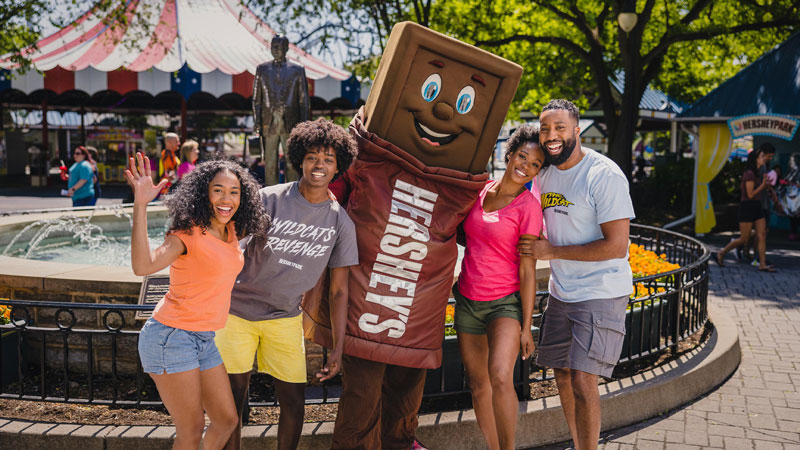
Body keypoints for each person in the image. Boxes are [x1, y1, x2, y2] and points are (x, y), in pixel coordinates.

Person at [215, 118, 358, 450]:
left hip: (285, 318)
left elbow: (339, 290)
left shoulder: (340, 222)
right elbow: (229, 246)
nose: (318, 165)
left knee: (294, 401)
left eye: (328, 159)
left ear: (339, 167)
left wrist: (338, 346)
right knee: (234, 401)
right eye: (311, 156)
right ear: (299, 160)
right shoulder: (269, 199)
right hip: (237, 313)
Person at [128, 154, 268, 450]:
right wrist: (140, 204)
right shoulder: (187, 232)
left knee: (226, 420)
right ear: (204, 193)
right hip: (171, 336)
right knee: (190, 428)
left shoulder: (230, 230)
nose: (226, 199)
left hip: (203, 338)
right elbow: (143, 266)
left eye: (234, 192)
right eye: (217, 190)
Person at [518, 99, 635, 450]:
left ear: (576, 131)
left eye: (559, 128)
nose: (551, 136)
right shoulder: (545, 173)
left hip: (600, 290)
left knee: (584, 379)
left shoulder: (604, 174)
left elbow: (616, 245)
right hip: (562, 291)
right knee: (563, 376)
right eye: (545, 129)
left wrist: (550, 251)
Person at [455, 124, 544, 450]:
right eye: (523, 157)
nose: (526, 167)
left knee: (500, 376)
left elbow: (527, 268)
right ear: (510, 153)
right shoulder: (481, 191)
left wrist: (527, 325)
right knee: (478, 385)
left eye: (535, 165)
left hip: (504, 303)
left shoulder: (528, 207)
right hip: (467, 300)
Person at [252, 35, 310, 185]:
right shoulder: (262, 69)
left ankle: (293, 193)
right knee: (270, 163)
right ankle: (271, 196)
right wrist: (257, 121)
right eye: (272, 47)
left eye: (278, 47)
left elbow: (303, 101)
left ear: (286, 48)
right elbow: (257, 100)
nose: (275, 50)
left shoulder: (297, 69)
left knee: (292, 163)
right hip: (268, 123)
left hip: (291, 123)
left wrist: (303, 126)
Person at [715, 143, 776, 271]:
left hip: (757, 206)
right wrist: (763, 185)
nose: (765, 158)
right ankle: (721, 253)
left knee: (762, 234)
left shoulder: (760, 173)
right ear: (756, 159)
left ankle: (762, 264)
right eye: (762, 156)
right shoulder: (749, 174)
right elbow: (750, 194)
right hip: (747, 207)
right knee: (744, 239)